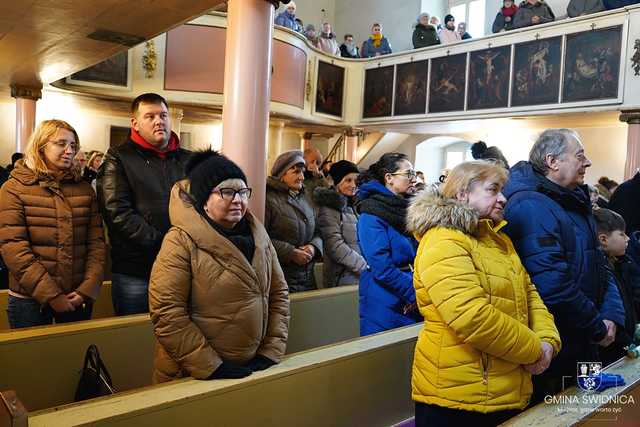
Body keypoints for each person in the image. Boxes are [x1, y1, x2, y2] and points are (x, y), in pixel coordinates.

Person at [407, 161, 560, 427]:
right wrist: (535, 350)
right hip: (458, 397)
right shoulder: (443, 240)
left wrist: (548, 341)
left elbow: (529, 294)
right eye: (493, 190)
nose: (503, 199)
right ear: (463, 193)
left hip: (505, 386)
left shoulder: (498, 239)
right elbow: (471, 316)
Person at [503, 129, 625, 402]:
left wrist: (611, 316)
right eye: (580, 155)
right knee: (557, 412)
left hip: (583, 337)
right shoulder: (530, 205)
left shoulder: (571, 200)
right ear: (552, 161)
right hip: (556, 342)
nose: (588, 162)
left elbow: (600, 264)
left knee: (590, 413)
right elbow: (551, 284)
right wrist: (597, 326)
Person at [149, 150, 289, 383]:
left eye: (243, 192)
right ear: (204, 201)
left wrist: (271, 350)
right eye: (227, 192)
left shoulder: (259, 237)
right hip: (194, 372)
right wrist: (210, 365)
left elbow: (279, 294)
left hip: (252, 367)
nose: (238, 200)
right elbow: (167, 311)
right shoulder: (180, 240)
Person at [0, 119, 105, 328]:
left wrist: (88, 288)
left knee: (75, 359)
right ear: (41, 146)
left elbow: (96, 244)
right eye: (61, 143)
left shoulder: (84, 189)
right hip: (29, 300)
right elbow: (14, 248)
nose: (69, 150)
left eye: (73, 145)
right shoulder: (14, 188)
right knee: (32, 360)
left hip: (76, 296)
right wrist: (52, 295)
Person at [97, 93, 191, 316]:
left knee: (180, 334)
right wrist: (165, 244)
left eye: (163, 115)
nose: (159, 121)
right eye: (150, 116)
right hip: (137, 268)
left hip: (183, 265)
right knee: (135, 339)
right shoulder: (118, 157)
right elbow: (117, 212)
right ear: (135, 124)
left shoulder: (190, 159)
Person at [356, 153, 420, 336]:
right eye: (408, 174)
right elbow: (381, 267)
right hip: (384, 298)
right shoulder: (371, 214)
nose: (413, 179)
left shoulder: (405, 209)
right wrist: (414, 293)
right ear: (389, 178)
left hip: (409, 290)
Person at [265, 150, 323, 292]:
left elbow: (319, 231)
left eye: (302, 172)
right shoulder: (268, 199)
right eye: (296, 172)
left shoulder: (307, 197)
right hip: (281, 276)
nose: (302, 177)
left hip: (308, 276)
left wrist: (313, 247)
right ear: (282, 175)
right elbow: (261, 238)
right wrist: (290, 252)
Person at [593, 208, 640, 366]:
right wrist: (627, 342)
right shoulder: (600, 269)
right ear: (604, 239)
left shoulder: (620, 263)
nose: (627, 238)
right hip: (613, 351)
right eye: (622, 234)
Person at [314, 161, 366, 288]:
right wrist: (363, 266)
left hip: (359, 274)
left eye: (356, 181)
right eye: (348, 180)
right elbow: (334, 245)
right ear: (336, 182)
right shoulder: (328, 207)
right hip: (342, 277)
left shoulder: (354, 205)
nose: (354, 185)